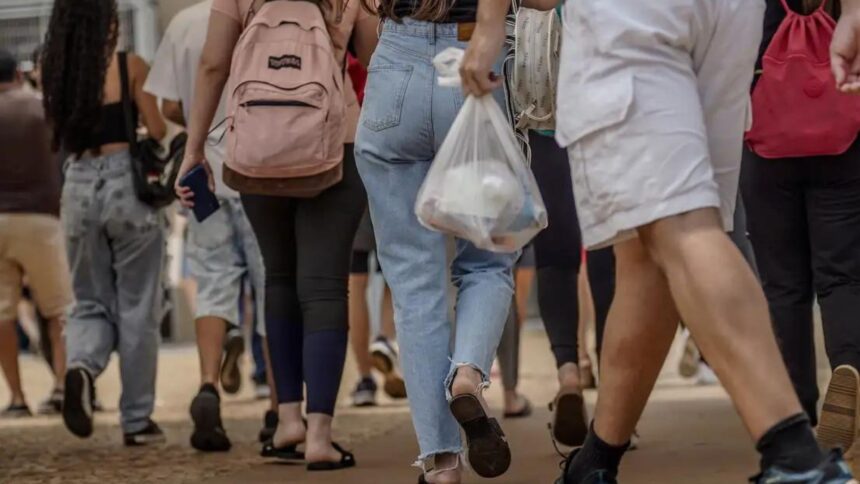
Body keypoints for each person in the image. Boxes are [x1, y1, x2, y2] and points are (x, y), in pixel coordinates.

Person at [464, 0, 858, 481]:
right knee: (648, 243)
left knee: (681, 225)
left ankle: (795, 456)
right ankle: (595, 463)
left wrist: (489, 26)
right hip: (730, 14)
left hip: (632, 14)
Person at [354, 0, 555, 480]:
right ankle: (467, 373)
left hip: (394, 69)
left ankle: (441, 462)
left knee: (412, 282)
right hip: (475, 68)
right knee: (488, 260)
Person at [178, 0, 379, 470]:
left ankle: (287, 419)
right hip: (335, 143)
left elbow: (212, 64)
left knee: (280, 277)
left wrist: (194, 150)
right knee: (326, 286)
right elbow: (373, 56)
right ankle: (320, 435)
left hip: (257, 142)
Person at [145, 0, 271, 453]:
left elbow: (169, 105)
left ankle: (207, 388)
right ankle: (279, 407)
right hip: (261, 169)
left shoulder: (183, 23)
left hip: (204, 177)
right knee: (269, 285)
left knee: (213, 284)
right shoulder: (265, 14)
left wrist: (202, 120)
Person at [42, 0, 168, 446]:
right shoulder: (129, 66)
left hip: (76, 186)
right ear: (107, 22)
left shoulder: (54, 74)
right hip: (125, 188)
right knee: (137, 306)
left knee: (90, 302)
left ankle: (80, 367)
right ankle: (136, 420)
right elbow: (156, 128)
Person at [741, 0, 860, 455]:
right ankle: (847, 367)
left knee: (783, 287)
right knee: (843, 275)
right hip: (843, 135)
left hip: (768, 139)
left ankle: (794, 410)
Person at [0, 49, 74, 419]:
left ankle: (16, 397)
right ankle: (62, 387)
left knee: (3, 315)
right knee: (58, 309)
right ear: (17, 73)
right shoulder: (39, 107)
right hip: (41, 219)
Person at [349, 214, 406, 407]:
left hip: (354, 192)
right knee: (392, 275)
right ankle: (386, 341)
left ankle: (365, 379)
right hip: (390, 191)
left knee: (356, 282)